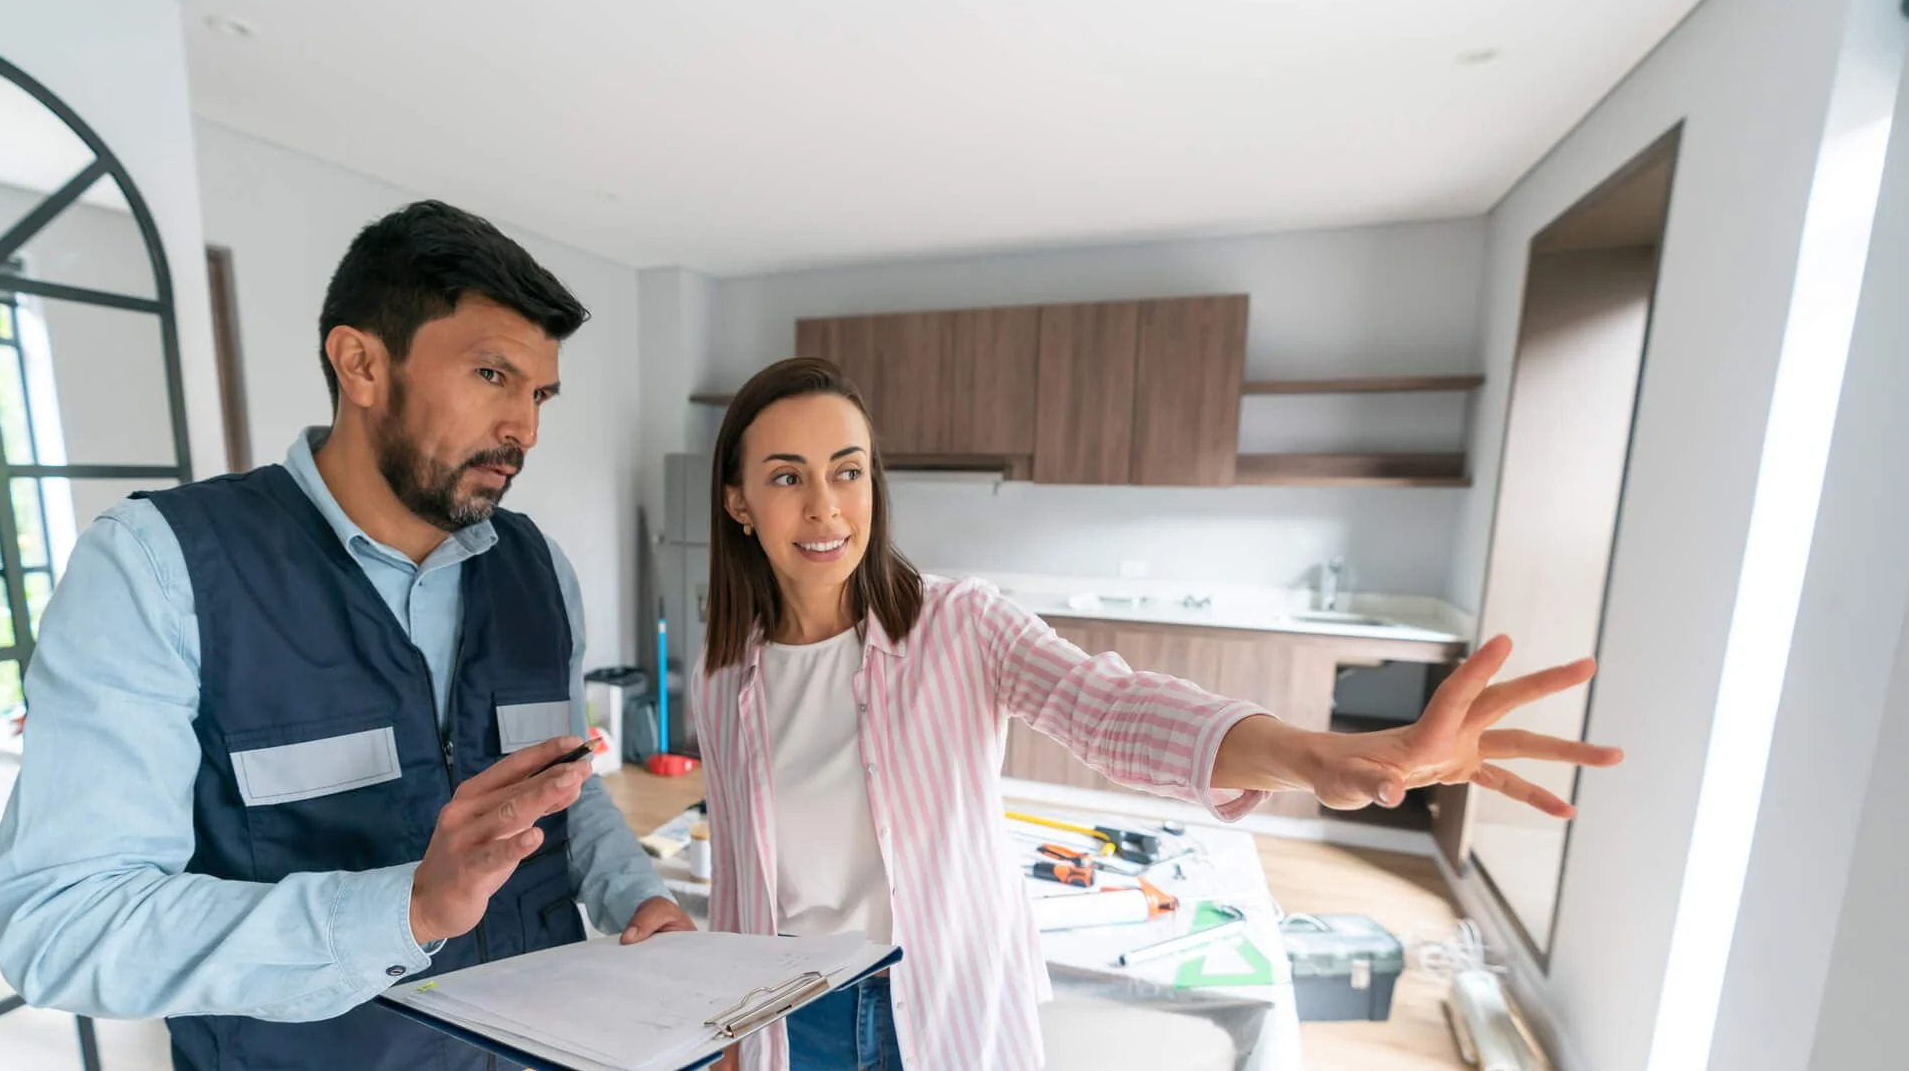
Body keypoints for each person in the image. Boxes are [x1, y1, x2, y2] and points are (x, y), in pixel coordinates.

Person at [692, 358, 1627, 1071]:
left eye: (847, 472)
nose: (825, 507)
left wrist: (1309, 756)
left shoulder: (957, 626)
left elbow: (1110, 706)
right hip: (784, 1022)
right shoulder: (721, 672)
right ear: (738, 501)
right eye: (786, 477)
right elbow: (741, 868)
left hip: (938, 1008)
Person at [0, 201, 692, 1071]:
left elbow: (563, 789)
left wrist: (637, 895)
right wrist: (409, 911)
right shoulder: (156, 570)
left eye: (537, 393)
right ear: (360, 363)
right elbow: (64, 925)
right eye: (491, 376)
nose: (526, 429)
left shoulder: (539, 569)